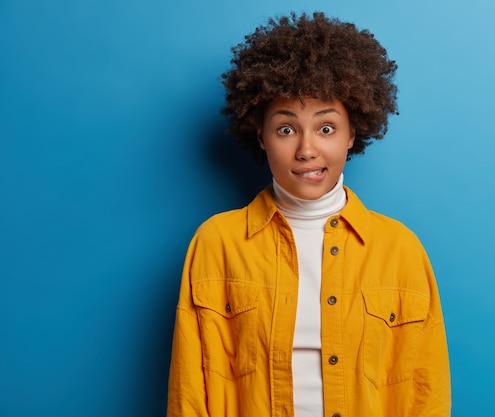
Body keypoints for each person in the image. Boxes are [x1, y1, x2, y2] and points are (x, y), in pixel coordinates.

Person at [167, 12, 451, 417]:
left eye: (327, 128)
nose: (306, 149)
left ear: (352, 134)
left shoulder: (400, 249)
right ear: (261, 136)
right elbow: (190, 392)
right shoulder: (217, 243)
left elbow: (427, 393)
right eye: (285, 129)